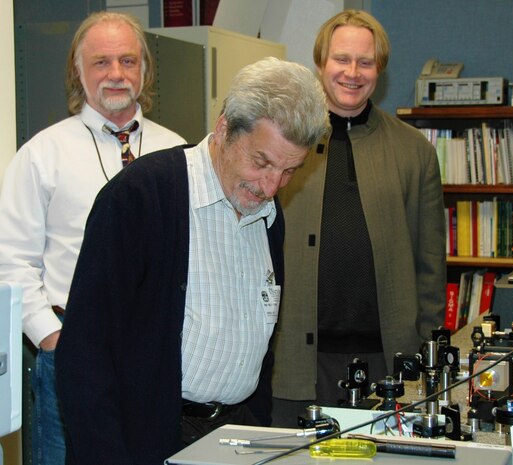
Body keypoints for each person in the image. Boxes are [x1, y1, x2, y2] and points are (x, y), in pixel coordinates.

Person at [54, 56, 329, 465]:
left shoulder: (268, 216)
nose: (272, 186)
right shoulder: (141, 197)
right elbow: (83, 358)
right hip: (147, 442)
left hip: (236, 440)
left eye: (290, 171)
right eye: (262, 162)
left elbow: (262, 345)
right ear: (224, 128)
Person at [0, 11, 186, 465]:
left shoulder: (180, 152)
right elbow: (10, 260)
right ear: (77, 72)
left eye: (128, 60)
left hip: (158, 362)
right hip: (71, 357)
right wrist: (52, 338)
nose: (117, 74)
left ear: (145, 69)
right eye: (101, 62)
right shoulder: (42, 154)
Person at [271, 9, 446, 426]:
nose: (353, 72)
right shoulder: (281, 141)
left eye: (365, 62)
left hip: (386, 365)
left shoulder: (414, 151)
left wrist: (425, 354)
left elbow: (430, 266)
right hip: (294, 362)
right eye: (341, 59)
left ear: (379, 69)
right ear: (320, 63)